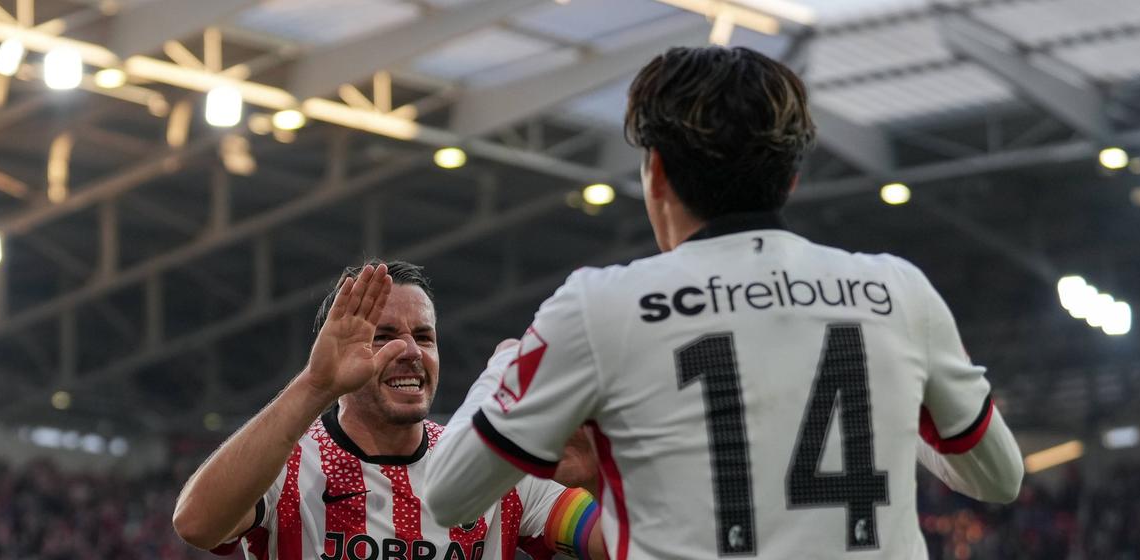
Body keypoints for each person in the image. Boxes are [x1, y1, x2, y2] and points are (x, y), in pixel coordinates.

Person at [423, 46, 1025, 559]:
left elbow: (446, 496)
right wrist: (888, 395)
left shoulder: (597, 306)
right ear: (790, 178)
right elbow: (1000, 478)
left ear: (656, 172)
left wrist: (504, 366)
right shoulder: (897, 292)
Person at [173, 261, 605, 560]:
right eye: (384, 336)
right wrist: (315, 385)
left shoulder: (490, 465)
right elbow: (196, 524)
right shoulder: (285, 464)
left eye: (425, 336)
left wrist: (596, 479)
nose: (411, 351)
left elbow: (619, 545)